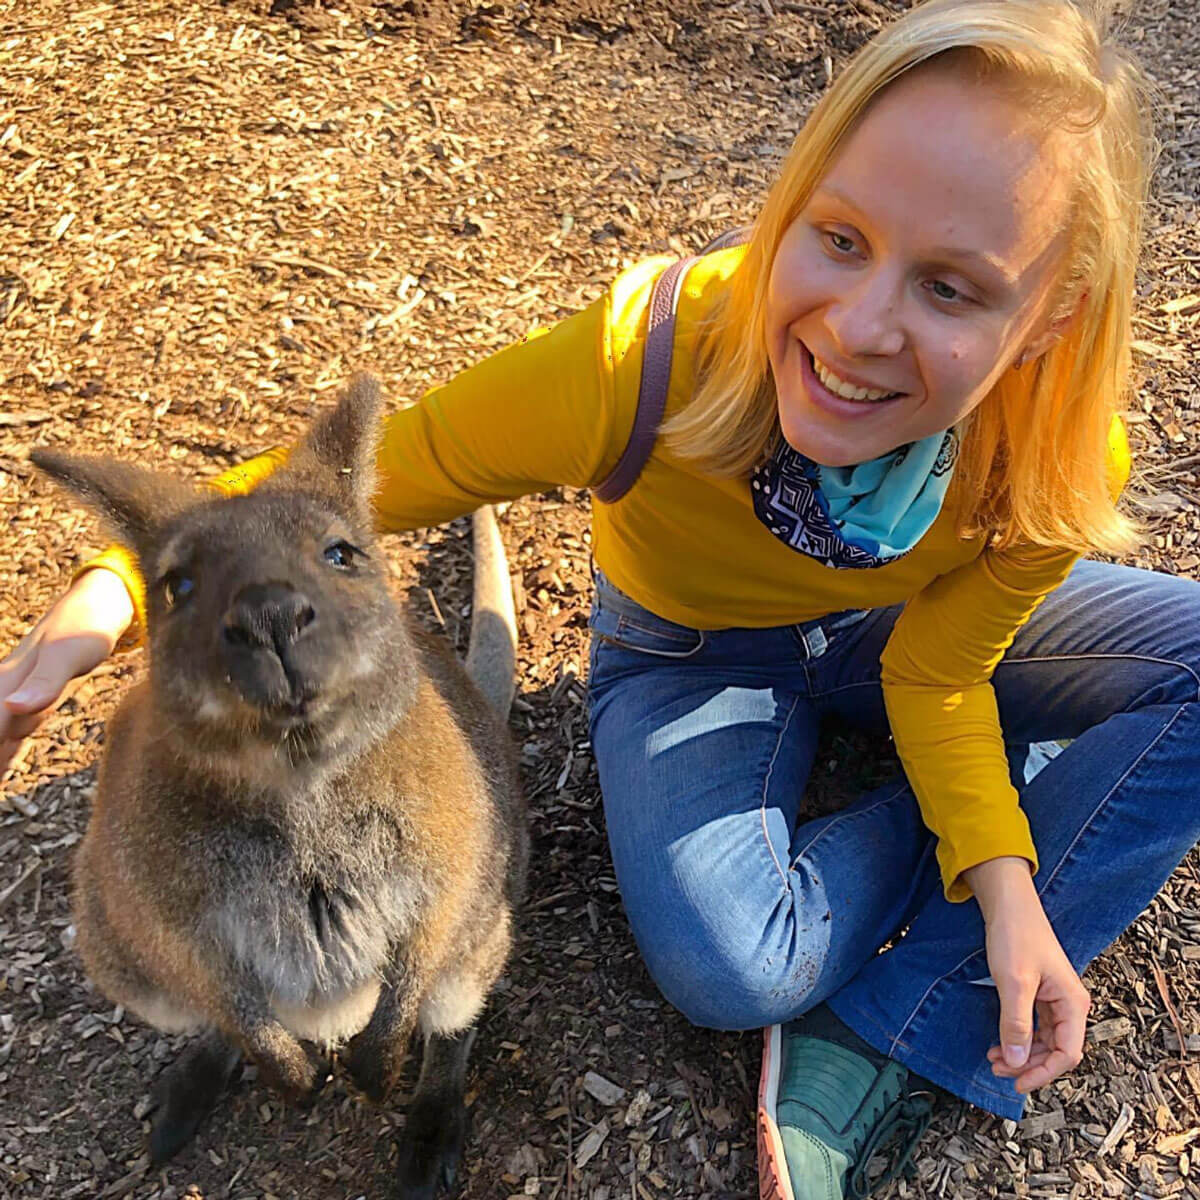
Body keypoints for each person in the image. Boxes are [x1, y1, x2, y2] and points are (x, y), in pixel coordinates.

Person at [5, 1, 1194, 1196]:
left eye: (951, 288)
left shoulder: (1054, 459)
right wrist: (112, 596)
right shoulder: (647, 360)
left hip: (909, 636)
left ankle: (920, 998)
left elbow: (936, 673)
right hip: (699, 649)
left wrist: (1004, 887)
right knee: (734, 967)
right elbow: (366, 474)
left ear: (1049, 321)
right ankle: (1016, 788)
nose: (860, 325)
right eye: (838, 237)